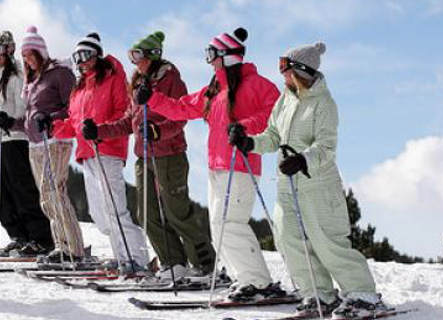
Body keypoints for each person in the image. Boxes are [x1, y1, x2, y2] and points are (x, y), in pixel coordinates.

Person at [229, 42, 390, 319]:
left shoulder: (324, 104)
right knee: (288, 239)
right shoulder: (286, 99)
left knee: (327, 242)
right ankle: (318, 294)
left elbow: (326, 147)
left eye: (285, 69)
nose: (282, 75)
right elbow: (273, 137)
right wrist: (249, 142)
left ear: (301, 71)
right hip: (287, 183)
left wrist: (303, 159)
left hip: (317, 184)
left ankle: (362, 294)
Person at [137, 28, 285, 300]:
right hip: (216, 166)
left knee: (230, 223)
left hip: (240, 164)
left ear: (227, 56)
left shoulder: (258, 85)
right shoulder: (215, 89)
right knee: (218, 227)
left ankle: (259, 283)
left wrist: (244, 127)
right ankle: (246, 279)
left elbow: (275, 114)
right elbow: (183, 107)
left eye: (212, 55)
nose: (209, 60)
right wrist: (153, 100)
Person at [92, 31, 214, 280]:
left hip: (169, 154)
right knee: (147, 214)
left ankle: (205, 265)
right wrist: (100, 131)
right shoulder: (138, 83)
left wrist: (159, 131)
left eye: (137, 55)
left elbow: (180, 117)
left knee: (176, 211)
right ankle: (173, 263)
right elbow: (130, 122)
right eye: (131, 56)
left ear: (153, 55)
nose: (134, 61)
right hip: (144, 156)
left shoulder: (170, 79)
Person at [53, 32, 149, 273]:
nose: (81, 61)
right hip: (87, 153)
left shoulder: (113, 77)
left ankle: (137, 258)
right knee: (98, 213)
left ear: (97, 55)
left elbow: (123, 112)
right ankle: (121, 256)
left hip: (108, 149)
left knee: (115, 208)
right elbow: (75, 124)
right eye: (77, 57)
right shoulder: (79, 88)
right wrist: (53, 126)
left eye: (85, 55)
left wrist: (100, 130)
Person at [0, 26, 84, 261]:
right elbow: (29, 120)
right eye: (24, 56)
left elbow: (72, 108)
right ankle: (60, 245)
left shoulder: (59, 74)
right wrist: (10, 122)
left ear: (41, 52)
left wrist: (51, 118)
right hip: (36, 144)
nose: (27, 60)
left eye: (31, 54)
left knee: (55, 192)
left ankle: (72, 249)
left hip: (56, 140)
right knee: (45, 197)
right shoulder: (34, 81)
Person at [0, 30, 53, 257]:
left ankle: (41, 238)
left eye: (0, 50)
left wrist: (10, 120)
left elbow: (25, 107)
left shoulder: (18, 75)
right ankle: (19, 237)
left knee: (22, 189)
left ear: (10, 50)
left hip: (15, 139)